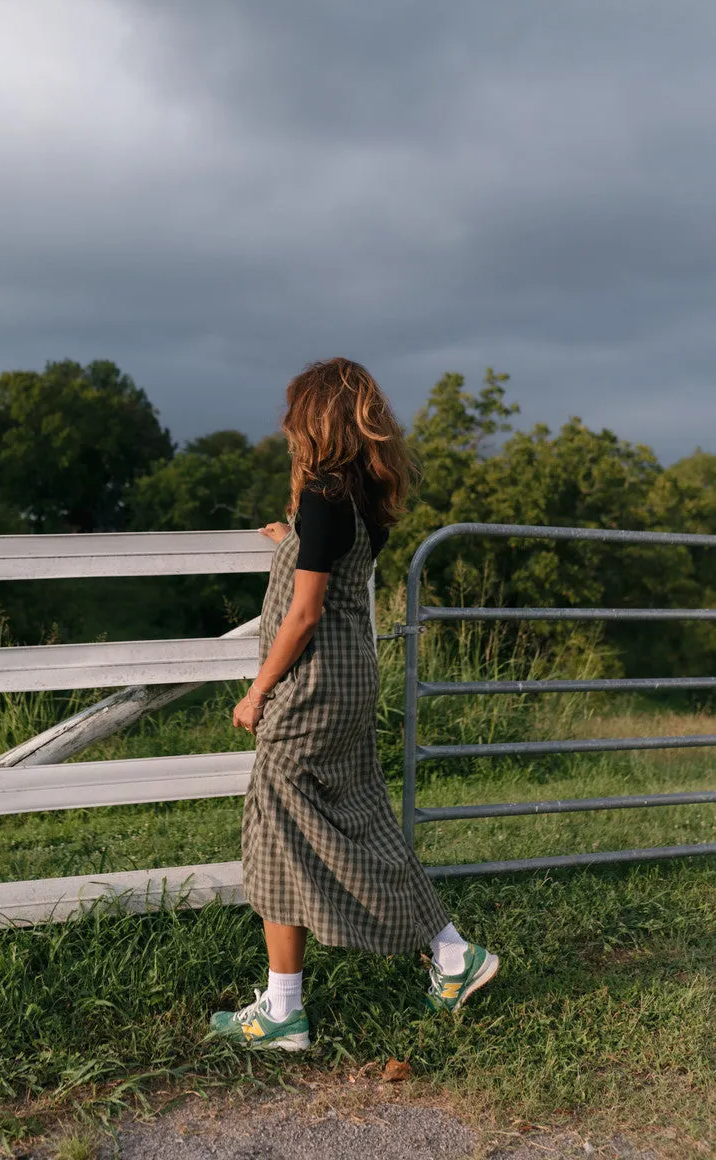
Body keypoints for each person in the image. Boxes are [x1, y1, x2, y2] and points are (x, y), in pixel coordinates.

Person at [207, 358, 498, 1051]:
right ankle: (453, 955)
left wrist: (257, 691)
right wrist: (290, 542)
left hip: (308, 687)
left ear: (314, 418)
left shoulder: (321, 494)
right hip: (351, 682)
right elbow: (330, 567)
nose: (284, 427)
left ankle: (283, 1011)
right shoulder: (360, 493)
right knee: (359, 819)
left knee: (275, 834)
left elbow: (304, 613)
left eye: (292, 413)